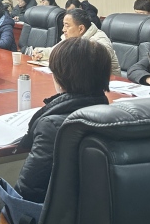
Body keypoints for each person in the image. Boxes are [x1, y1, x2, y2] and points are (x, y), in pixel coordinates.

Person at [15, 38, 111, 203]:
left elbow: (25, 193)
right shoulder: (113, 117)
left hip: (47, 218)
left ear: (61, 77)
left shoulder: (52, 126)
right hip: (100, 215)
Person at [32, 8, 121, 76]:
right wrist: (41, 53)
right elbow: (56, 50)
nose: (63, 29)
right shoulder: (71, 37)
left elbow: (90, 63)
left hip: (106, 87)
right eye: (63, 25)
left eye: (67, 26)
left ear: (81, 28)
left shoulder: (100, 39)